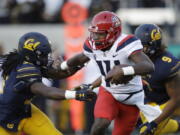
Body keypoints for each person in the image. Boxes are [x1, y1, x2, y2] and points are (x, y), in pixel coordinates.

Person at [59, 11, 157, 135]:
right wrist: (63, 65)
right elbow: (80, 58)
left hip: (131, 98)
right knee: (99, 126)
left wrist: (124, 71)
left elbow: (148, 66)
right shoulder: (92, 46)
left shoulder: (126, 43)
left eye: (99, 34)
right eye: (93, 33)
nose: (94, 38)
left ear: (113, 33)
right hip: (108, 92)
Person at [0, 32, 96, 135]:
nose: (46, 57)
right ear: (32, 54)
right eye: (43, 54)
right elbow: (46, 91)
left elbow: (57, 73)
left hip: (25, 110)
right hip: (5, 117)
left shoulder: (26, 61)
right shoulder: (25, 69)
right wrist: (75, 94)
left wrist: (77, 65)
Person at [134, 24, 180, 135]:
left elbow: (176, 99)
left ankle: (177, 125)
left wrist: (154, 123)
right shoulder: (134, 57)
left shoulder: (166, 64)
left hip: (171, 104)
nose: (138, 50)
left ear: (153, 45)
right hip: (150, 103)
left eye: (142, 46)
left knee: (147, 130)